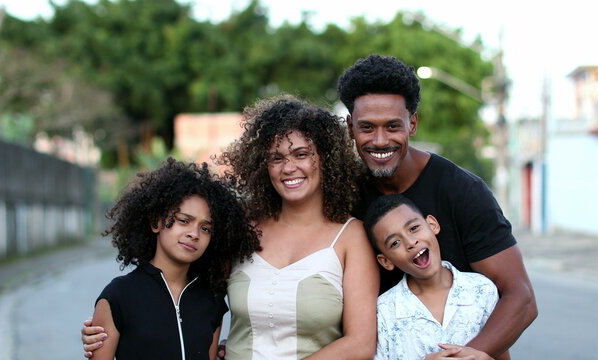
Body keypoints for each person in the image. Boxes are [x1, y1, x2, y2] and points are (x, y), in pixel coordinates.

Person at [83, 96, 379, 359]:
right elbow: (184, 296)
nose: (289, 168)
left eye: (301, 154)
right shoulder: (241, 229)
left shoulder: (350, 237)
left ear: (325, 159)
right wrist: (113, 324)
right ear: (262, 166)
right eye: (276, 158)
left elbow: (360, 343)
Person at [337, 53, 537, 358]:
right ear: (350, 126)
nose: (379, 141)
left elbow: (520, 297)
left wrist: (467, 355)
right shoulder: (342, 195)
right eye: (367, 128)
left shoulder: (462, 191)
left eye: (393, 126)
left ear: (412, 123)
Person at [88, 158, 260, 360]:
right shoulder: (118, 296)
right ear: (156, 222)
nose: (194, 234)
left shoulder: (212, 300)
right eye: (184, 221)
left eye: (205, 228)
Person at [364, 194, 506, 360]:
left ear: (432, 225)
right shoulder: (384, 313)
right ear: (386, 261)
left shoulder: (482, 290)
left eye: (414, 228)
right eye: (395, 243)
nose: (410, 242)